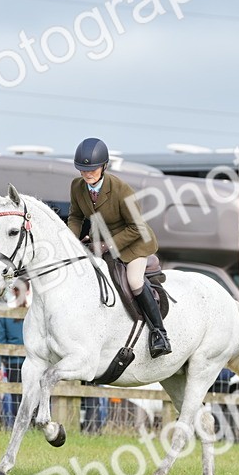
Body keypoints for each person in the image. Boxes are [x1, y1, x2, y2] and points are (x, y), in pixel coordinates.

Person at [66, 137, 171, 358]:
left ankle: (159, 334)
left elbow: (136, 227)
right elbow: (75, 217)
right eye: (83, 169)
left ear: (104, 166)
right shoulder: (77, 187)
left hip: (133, 242)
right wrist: (71, 241)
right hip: (99, 241)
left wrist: (105, 245)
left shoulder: (122, 190)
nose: (87, 174)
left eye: (92, 169)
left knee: (133, 281)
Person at [0, 280, 27, 428]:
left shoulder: (5, 313)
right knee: (35, 397)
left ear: (12, 292)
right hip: (36, 363)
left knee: (17, 398)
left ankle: (18, 427)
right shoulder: (35, 312)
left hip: (14, 364)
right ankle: (35, 428)